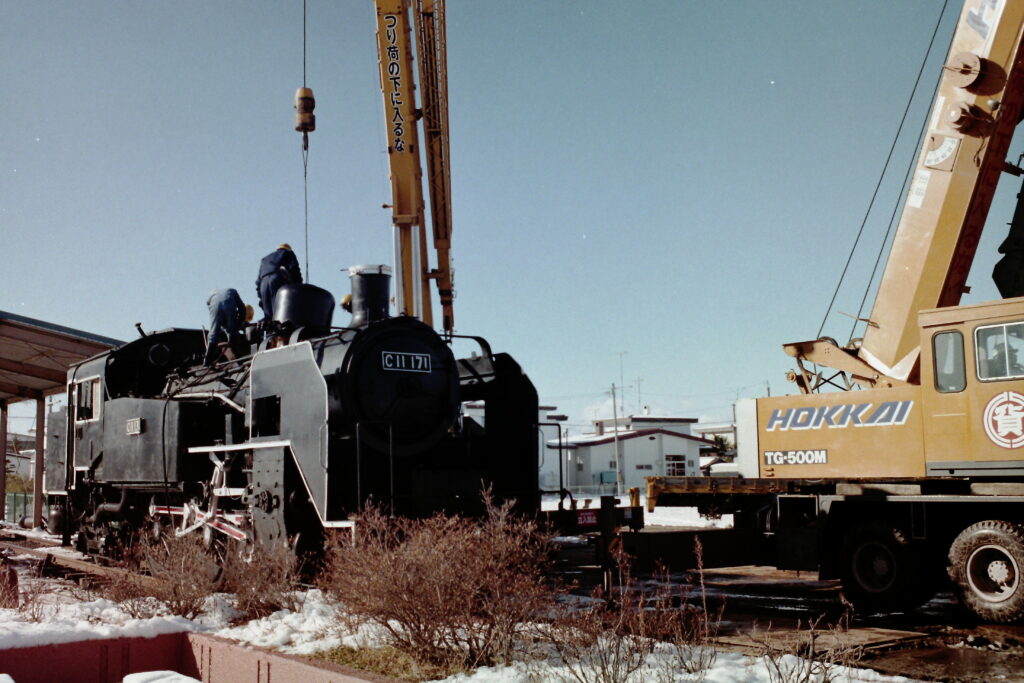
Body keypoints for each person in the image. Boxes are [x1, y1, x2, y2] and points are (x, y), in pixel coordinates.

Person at [256, 243, 303, 321]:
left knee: (269, 316)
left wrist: (261, 297)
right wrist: (299, 287)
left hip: (263, 283)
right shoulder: (288, 252)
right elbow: (294, 269)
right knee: (279, 310)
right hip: (277, 279)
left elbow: (258, 282)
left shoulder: (265, 259)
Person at [205, 288, 248, 365]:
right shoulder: (233, 292)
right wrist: (240, 322)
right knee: (232, 332)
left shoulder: (212, 297)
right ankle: (237, 358)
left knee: (213, 332)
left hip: (214, 305)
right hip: (229, 303)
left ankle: (207, 360)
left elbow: (217, 319)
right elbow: (242, 308)